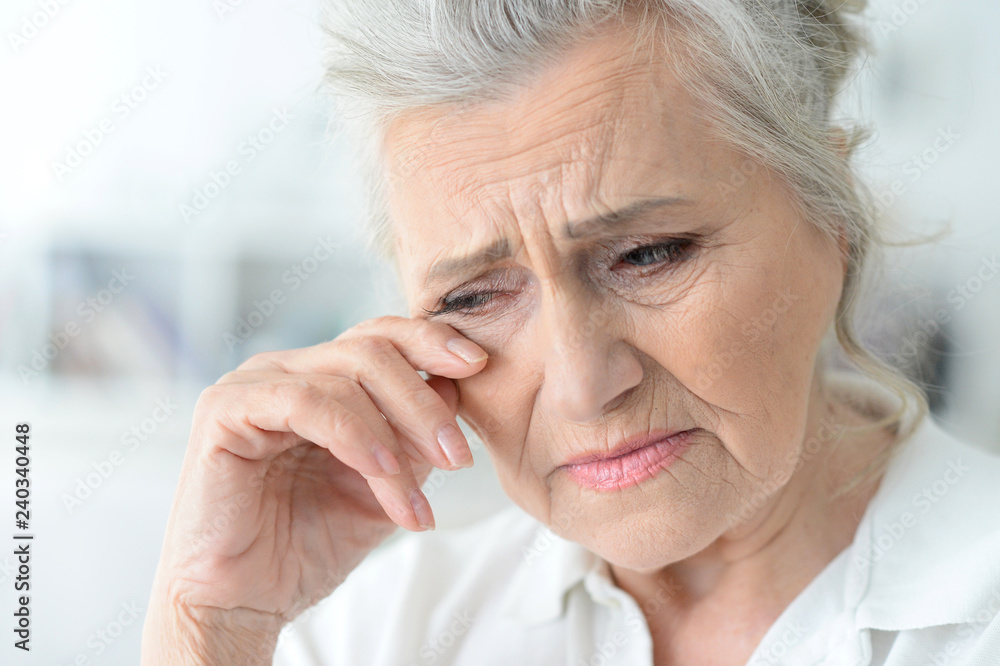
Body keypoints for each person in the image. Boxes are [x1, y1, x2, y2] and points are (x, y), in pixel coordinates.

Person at [141, 1, 1000, 664]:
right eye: (474, 298)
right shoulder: (377, 632)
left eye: (650, 254)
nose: (585, 384)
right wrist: (209, 624)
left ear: (830, 219)